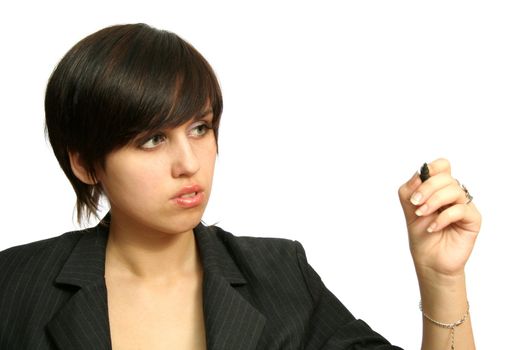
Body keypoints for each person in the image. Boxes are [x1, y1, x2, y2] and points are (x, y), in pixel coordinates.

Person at [0, 23, 480, 350]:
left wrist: (442, 278)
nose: (189, 164)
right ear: (86, 165)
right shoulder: (15, 285)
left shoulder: (279, 274)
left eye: (200, 128)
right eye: (151, 140)